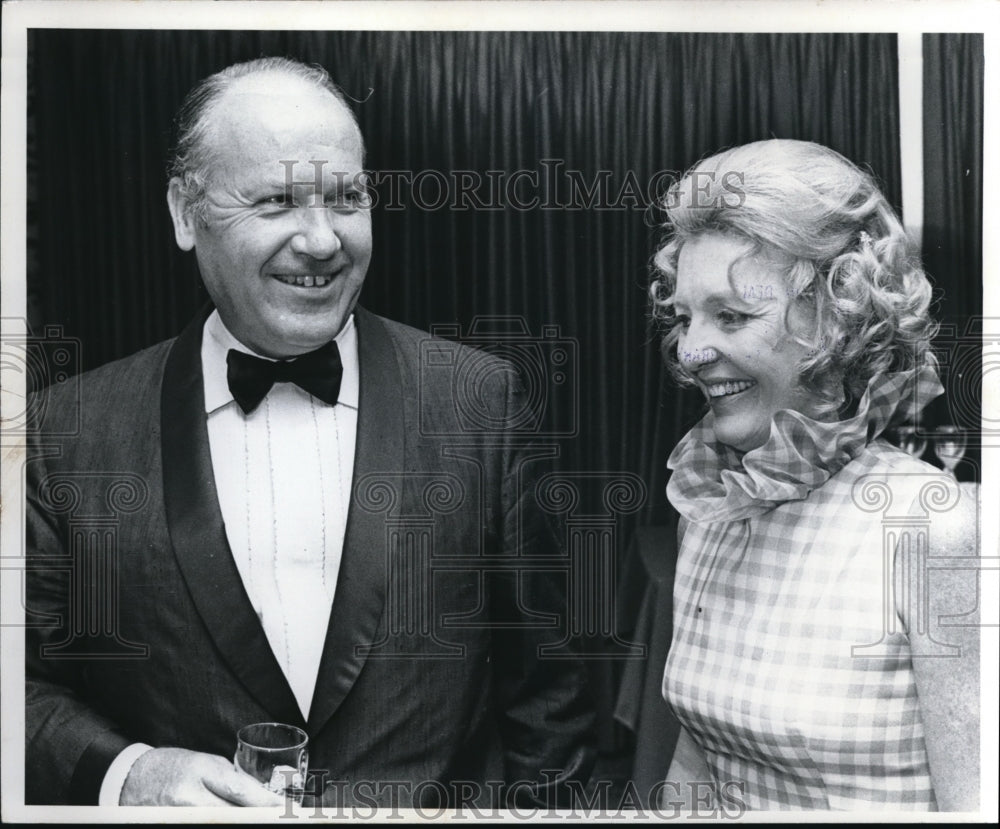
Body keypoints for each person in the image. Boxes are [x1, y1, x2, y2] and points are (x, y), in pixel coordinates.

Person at [25, 56, 595, 808]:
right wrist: (127, 771)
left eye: (347, 198)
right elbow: (20, 685)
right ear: (183, 213)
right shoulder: (62, 433)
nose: (323, 241)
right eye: (278, 201)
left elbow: (550, 697)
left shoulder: (481, 403)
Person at [649, 139, 979, 811]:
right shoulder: (711, 503)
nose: (689, 349)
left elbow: (973, 804)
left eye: (732, 315)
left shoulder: (930, 528)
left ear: (836, 315)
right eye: (685, 316)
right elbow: (696, 757)